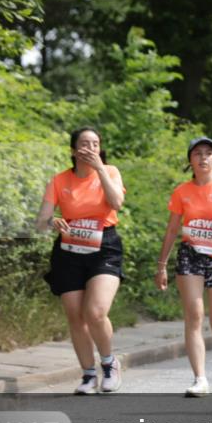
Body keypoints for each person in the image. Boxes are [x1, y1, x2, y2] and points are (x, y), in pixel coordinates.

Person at [36, 127, 126, 394]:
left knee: (96, 312)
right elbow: (41, 221)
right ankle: (88, 375)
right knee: (76, 317)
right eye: (85, 144)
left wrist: (100, 170)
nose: (90, 148)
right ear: (74, 151)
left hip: (104, 246)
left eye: (95, 144)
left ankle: (109, 364)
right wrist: (52, 221)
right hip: (69, 248)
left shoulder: (110, 172)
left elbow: (117, 202)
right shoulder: (59, 180)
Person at [155, 137, 212, 397]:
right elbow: (172, 229)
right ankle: (200, 378)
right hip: (191, 254)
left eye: (208, 153)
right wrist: (161, 265)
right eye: (197, 154)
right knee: (194, 315)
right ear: (190, 161)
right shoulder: (182, 191)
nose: (203, 158)